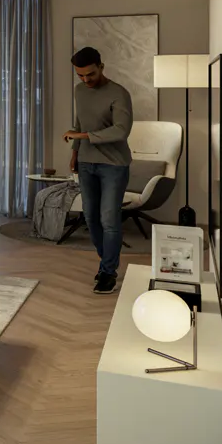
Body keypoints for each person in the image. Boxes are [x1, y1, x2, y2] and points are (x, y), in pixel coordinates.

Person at [65, 47, 134, 295]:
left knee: (109, 219)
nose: (86, 80)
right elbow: (79, 124)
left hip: (114, 165)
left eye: (90, 74)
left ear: (101, 66)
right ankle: (107, 262)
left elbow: (120, 131)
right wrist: (75, 151)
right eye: (80, 76)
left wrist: (82, 136)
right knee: (91, 218)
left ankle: (107, 272)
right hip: (86, 162)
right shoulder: (80, 91)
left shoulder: (119, 93)